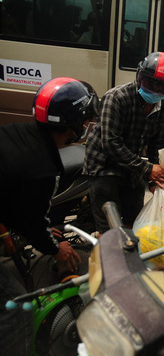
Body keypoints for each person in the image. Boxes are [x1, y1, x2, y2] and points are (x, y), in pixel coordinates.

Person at [0, 77, 98, 355]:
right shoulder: (45, 168)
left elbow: (16, 200)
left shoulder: (17, 132)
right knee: (17, 305)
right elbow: (32, 219)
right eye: (85, 119)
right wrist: (55, 248)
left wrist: (35, 231)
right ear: (74, 123)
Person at [83, 52, 164, 232]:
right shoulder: (117, 98)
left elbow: (158, 145)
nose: (156, 90)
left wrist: (155, 178)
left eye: (162, 86)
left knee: (134, 225)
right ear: (140, 77)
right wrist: (148, 170)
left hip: (131, 168)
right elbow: (110, 143)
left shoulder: (163, 106)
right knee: (109, 230)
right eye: (151, 83)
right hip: (104, 166)